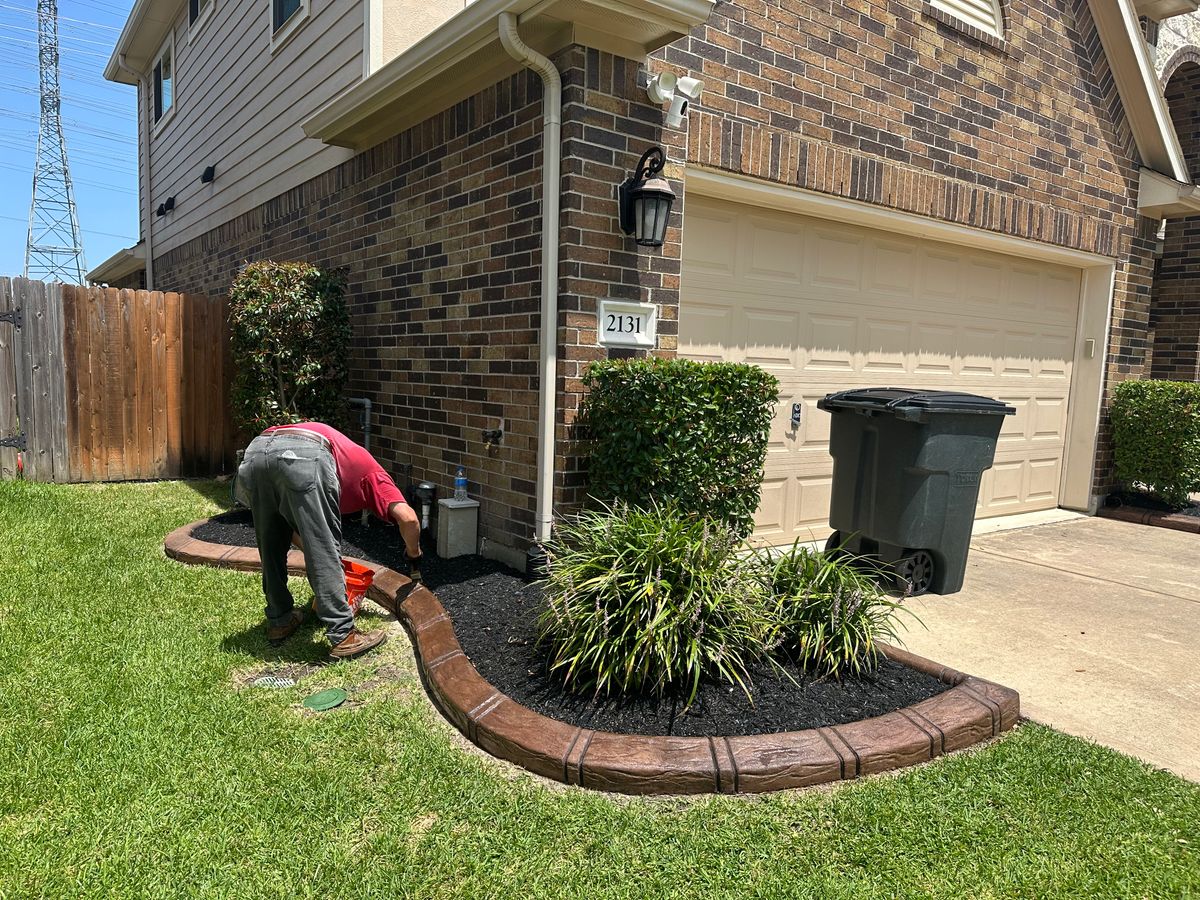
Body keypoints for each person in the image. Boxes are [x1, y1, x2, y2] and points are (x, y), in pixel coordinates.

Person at [235, 421, 423, 659]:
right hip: (303, 454)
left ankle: (280, 620)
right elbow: (409, 520)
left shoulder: (348, 459)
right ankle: (343, 635)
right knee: (323, 546)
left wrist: (323, 557)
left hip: (257, 451)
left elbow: (290, 529)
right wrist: (414, 555)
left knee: (270, 541)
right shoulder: (374, 475)